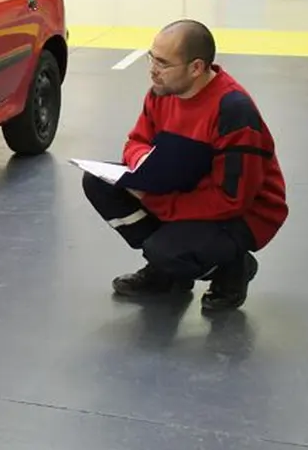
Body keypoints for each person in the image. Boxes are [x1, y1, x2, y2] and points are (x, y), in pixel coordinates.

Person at [82, 19, 288, 311]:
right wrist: (142, 162)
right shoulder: (161, 92)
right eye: (151, 57)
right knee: (97, 182)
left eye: (163, 63)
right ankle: (168, 273)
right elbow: (136, 140)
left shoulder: (233, 111)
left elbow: (234, 199)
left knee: (164, 250)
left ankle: (232, 269)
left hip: (244, 214)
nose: (153, 70)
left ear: (196, 68)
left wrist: (156, 200)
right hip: (181, 190)